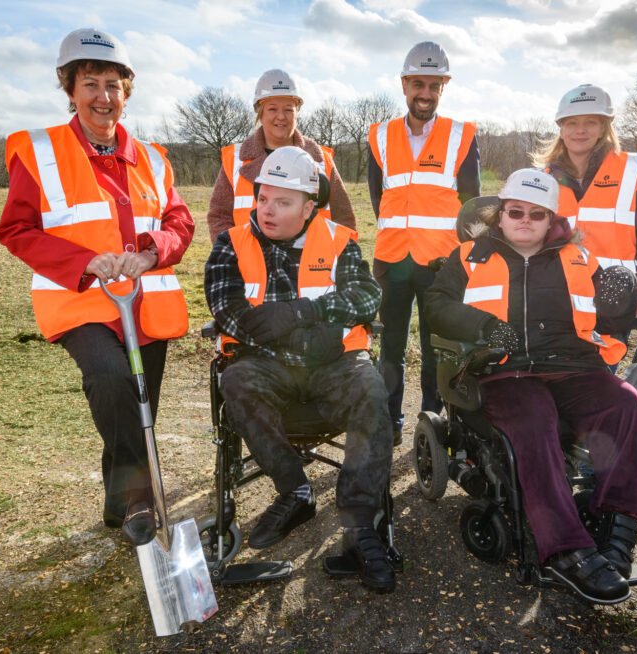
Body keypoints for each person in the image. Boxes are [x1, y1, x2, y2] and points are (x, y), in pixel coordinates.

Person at [0, 28, 194, 546]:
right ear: (70, 89)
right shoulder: (38, 152)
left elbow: (180, 220)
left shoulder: (152, 157)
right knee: (111, 382)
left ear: (127, 92)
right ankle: (139, 503)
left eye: (113, 84)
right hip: (79, 301)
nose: (103, 97)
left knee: (138, 405)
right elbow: (16, 230)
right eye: (91, 84)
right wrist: (88, 262)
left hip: (146, 304)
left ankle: (118, 502)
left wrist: (153, 249)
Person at [424, 169, 637, 605]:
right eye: (515, 212)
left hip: (572, 367)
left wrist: (622, 308)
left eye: (536, 214)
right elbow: (436, 305)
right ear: (501, 215)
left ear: (551, 221)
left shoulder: (580, 259)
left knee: (625, 403)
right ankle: (566, 549)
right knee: (533, 413)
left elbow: (610, 319)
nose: (524, 220)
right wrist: (486, 326)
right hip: (505, 371)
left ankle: (616, 534)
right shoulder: (469, 256)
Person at [204, 146, 396, 592]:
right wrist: (302, 331)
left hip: (334, 364)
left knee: (372, 389)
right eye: (263, 198)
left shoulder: (339, 240)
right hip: (265, 366)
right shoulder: (230, 245)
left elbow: (368, 298)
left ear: (309, 207)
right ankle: (296, 492)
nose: (267, 210)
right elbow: (228, 310)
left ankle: (360, 526)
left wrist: (301, 312)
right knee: (237, 380)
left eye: (282, 202)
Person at [367, 41, 480, 446]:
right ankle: (391, 418)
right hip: (393, 260)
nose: (426, 93)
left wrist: (462, 259)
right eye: (418, 83)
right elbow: (378, 197)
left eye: (434, 85)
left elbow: (473, 206)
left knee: (438, 349)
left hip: (441, 265)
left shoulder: (461, 136)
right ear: (404, 84)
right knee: (391, 345)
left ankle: (432, 421)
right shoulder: (379, 136)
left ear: (443, 88)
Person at [536, 83, 637, 346]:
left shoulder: (631, 172)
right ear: (561, 129)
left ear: (604, 127)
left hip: (614, 299)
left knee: (602, 374)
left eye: (590, 122)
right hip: (561, 296)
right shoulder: (546, 179)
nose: (580, 130)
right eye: (571, 123)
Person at [206, 69, 356, 242]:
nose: (281, 116)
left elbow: (344, 219)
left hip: (311, 265)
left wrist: (341, 260)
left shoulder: (320, 160)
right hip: (250, 265)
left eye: (288, 109)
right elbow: (219, 217)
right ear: (260, 113)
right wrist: (230, 257)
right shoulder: (236, 160)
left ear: (297, 112)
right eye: (272, 109)